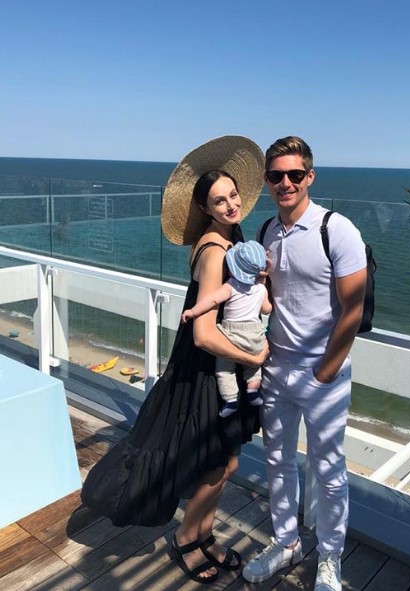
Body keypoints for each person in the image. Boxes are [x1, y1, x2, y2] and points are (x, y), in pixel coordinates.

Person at [80, 135, 268, 585]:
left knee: (225, 464)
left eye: (233, 195)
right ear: (204, 207)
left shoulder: (233, 237)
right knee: (218, 465)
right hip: (206, 371)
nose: (230, 205)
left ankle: (202, 534)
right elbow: (203, 334)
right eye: (219, 201)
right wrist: (255, 354)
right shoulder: (215, 252)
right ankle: (187, 539)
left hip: (221, 368)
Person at [242, 136, 367, 591]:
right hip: (276, 366)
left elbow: (352, 309)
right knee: (277, 460)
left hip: (322, 372)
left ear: (309, 176)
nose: (286, 183)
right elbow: (271, 297)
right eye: (276, 176)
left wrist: (326, 370)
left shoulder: (337, 230)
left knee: (328, 471)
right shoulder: (266, 231)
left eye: (295, 174)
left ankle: (330, 557)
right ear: (266, 181)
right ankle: (286, 542)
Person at [182, 239, 272, 417]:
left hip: (232, 333)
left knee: (224, 369)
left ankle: (230, 399)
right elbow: (267, 309)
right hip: (254, 334)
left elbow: (212, 300)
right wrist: (263, 285)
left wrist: (193, 311)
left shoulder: (231, 286)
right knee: (253, 368)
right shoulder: (260, 290)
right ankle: (253, 390)